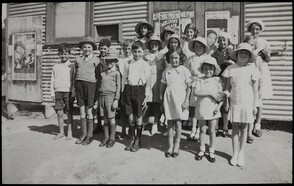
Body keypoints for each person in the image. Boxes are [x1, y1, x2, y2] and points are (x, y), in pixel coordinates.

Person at [223, 43, 260, 167]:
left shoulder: (253, 69)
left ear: (249, 56)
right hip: (235, 102)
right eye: (241, 53)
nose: (243, 55)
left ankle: (241, 153)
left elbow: (255, 90)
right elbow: (227, 88)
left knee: (244, 128)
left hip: (247, 103)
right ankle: (234, 153)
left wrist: (255, 105)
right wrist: (226, 102)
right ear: (237, 55)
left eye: (246, 53)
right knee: (234, 128)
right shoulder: (230, 68)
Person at [160, 48, 191, 158]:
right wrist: (161, 100)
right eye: (172, 58)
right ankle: (170, 145)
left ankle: (177, 145)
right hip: (168, 98)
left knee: (178, 122)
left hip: (180, 98)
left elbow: (189, 87)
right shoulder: (167, 71)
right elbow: (162, 86)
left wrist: (186, 100)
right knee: (169, 122)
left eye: (176, 58)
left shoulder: (184, 70)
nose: (174, 60)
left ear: (180, 58)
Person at [121, 41, 151, 152]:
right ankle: (132, 138)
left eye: (139, 52)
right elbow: (124, 78)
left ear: (143, 52)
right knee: (130, 116)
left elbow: (148, 81)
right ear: (132, 52)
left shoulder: (145, 64)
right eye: (135, 52)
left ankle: (138, 140)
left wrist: (146, 96)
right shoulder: (127, 63)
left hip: (139, 90)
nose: (137, 54)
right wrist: (122, 92)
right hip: (128, 89)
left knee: (138, 116)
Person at [194, 56, 224, 163]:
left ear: (214, 70)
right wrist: (210, 93)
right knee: (202, 129)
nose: (208, 71)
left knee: (212, 130)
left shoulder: (217, 80)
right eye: (205, 69)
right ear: (202, 69)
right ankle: (202, 149)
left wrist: (218, 107)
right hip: (202, 107)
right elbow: (196, 92)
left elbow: (221, 97)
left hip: (213, 109)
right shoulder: (199, 79)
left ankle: (211, 150)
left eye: (210, 69)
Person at [246, 19, 273, 138]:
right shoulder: (247, 40)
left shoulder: (264, 42)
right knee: (250, 97)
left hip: (262, 70)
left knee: (259, 99)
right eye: (253, 29)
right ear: (249, 30)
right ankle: (249, 124)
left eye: (257, 29)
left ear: (260, 30)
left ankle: (257, 125)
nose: (255, 31)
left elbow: (268, 59)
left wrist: (266, 55)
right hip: (251, 69)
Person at [74, 36, 100, 145]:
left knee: (89, 111)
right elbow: (75, 74)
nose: (87, 49)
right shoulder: (77, 59)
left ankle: (90, 135)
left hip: (91, 86)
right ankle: (83, 134)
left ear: (92, 48)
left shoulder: (96, 59)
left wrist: (96, 94)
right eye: (85, 47)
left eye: (89, 47)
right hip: (79, 85)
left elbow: (98, 77)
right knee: (81, 111)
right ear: (82, 48)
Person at [184, 37, 209, 141]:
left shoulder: (207, 58)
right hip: (194, 83)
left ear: (204, 47)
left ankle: (200, 130)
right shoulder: (190, 58)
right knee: (194, 108)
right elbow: (186, 71)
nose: (198, 48)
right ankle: (193, 130)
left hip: (204, 83)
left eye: (200, 46)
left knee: (201, 108)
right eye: (196, 46)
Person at [211, 32, 234, 138]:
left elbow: (235, 63)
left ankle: (225, 127)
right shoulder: (215, 53)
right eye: (220, 40)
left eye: (224, 40)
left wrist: (230, 63)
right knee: (217, 102)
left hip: (227, 80)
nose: (222, 42)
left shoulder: (230, 52)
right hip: (218, 79)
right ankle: (215, 127)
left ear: (228, 41)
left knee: (226, 105)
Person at [50, 43, 75, 140]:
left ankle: (69, 132)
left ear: (69, 54)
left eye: (65, 53)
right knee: (59, 112)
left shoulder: (72, 66)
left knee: (69, 112)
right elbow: (52, 80)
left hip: (68, 92)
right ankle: (61, 132)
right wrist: (52, 93)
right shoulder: (55, 66)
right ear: (58, 54)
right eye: (61, 54)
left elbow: (73, 81)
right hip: (58, 92)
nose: (63, 56)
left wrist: (73, 92)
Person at [97, 54, 121, 148]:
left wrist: (116, 100)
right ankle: (106, 137)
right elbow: (99, 86)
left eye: (111, 61)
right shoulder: (102, 73)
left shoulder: (116, 73)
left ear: (115, 62)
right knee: (105, 119)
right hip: (102, 96)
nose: (109, 63)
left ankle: (112, 138)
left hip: (111, 97)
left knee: (111, 118)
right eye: (107, 61)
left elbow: (118, 87)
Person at [143, 35, 165, 135]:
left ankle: (155, 123)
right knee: (146, 102)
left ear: (159, 45)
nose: (154, 45)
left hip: (158, 81)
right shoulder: (145, 56)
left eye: (156, 43)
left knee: (157, 103)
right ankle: (145, 121)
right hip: (147, 81)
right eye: (152, 43)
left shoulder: (161, 56)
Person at [244, 35, 263, 144]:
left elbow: (261, 74)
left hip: (254, 88)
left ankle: (249, 133)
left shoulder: (258, 58)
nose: (250, 47)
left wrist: (260, 88)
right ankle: (244, 131)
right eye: (248, 44)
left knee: (252, 112)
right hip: (245, 86)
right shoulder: (243, 56)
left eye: (252, 45)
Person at [93, 39, 112, 134]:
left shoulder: (111, 59)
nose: (103, 51)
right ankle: (99, 125)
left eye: (105, 49)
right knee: (98, 107)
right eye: (101, 49)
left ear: (108, 49)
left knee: (106, 107)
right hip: (98, 85)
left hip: (108, 86)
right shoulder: (96, 59)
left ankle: (107, 127)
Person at [116, 39, 133, 139]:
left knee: (131, 111)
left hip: (131, 87)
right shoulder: (120, 61)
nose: (127, 51)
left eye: (129, 49)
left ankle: (131, 131)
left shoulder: (134, 59)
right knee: (122, 111)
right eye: (125, 49)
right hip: (123, 86)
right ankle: (123, 130)